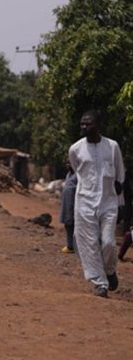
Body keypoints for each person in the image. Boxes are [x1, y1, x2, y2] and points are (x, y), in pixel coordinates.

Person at [68, 110, 125, 297]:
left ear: (98, 125)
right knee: (89, 243)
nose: (84, 127)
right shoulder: (75, 149)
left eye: (88, 124)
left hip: (109, 202)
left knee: (108, 242)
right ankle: (99, 283)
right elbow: (77, 170)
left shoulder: (112, 146)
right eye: (82, 124)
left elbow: (120, 173)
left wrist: (121, 202)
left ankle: (109, 270)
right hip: (85, 201)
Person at [59, 162, 77, 254]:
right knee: (67, 224)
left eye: (69, 163)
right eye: (66, 163)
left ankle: (72, 246)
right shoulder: (69, 174)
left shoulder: (78, 175)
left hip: (74, 204)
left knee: (73, 225)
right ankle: (70, 245)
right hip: (66, 204)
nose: (67, 165)